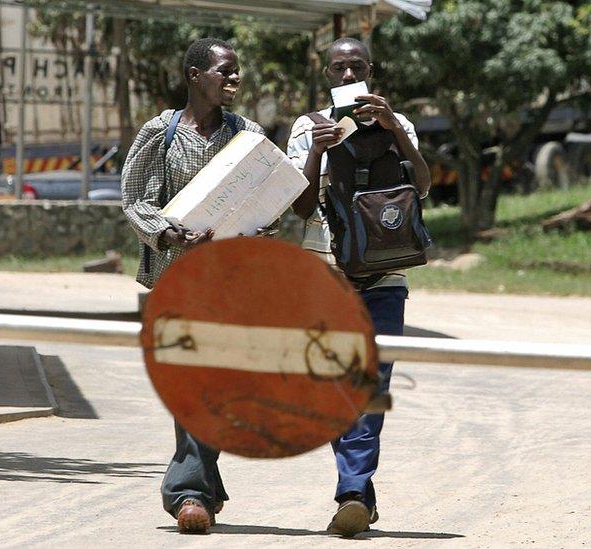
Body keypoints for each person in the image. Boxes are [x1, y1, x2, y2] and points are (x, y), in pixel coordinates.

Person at [286, 37, 432, 538]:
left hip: (387, 276)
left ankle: (351, 493)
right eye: (339, 68)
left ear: (371, 69)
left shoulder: (398, 122)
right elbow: (301, 208)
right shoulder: (308, 128)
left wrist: (396, 130)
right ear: (326, 74)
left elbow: (425, 184)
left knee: (371, 386)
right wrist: (318, 155)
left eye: (357, 67)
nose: (349, 76)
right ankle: (360, 495)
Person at [120, 37, 264, 535]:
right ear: (195, 74)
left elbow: (265, 206)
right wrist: (169, 232)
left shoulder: (247, 136)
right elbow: (135, 200)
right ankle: (189, 493)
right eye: (224, 71)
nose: (234, 79)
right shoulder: (161, 133)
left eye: (237, 71)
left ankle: (199, 484)